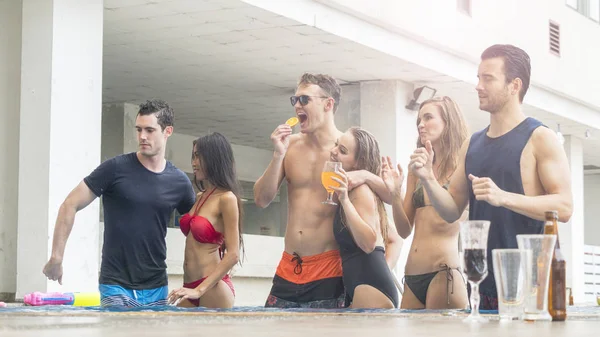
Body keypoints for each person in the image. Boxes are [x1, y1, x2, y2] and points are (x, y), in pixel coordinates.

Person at [408, 44, 573, 309]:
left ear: (514, 85)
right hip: (483, 288)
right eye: (478, 77)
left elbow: (564, 207)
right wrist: (428, 178)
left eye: (488, 78)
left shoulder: (540, 138)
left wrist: (504, 197)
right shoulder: (471, 144)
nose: (478, 85)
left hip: (531, 290)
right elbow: (451, 210)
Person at [254, 73, 397, 308]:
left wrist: (365, 175)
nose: (297, 105)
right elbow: (260, 199)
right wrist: (278, 155)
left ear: (328, 104)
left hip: (329, 270)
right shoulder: (290, 146)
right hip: (288, 268)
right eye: (295, 100)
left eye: (304, 99)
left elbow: (390, 197)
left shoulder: (347, 148)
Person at [43, 99, 196, 307]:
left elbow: (197, 231)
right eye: (139, 129)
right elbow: (70, 204)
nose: (142, 136)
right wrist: (56, 257)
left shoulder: (179, 182)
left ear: (167, 131)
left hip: (157, 286)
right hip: (115, 284)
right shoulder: (115, 169)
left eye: (150, 130)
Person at [381, 96, 469, 309]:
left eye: (428, 117)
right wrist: (394, 194)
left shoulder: (462, 167)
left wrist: (429, 177)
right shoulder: (416, 170)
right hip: (412, 277)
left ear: (448, 123)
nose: (421, 124)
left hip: (443, 274)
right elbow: (403, 230)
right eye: (419, 119)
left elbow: (455, 216)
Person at [167, 132, 243, 308]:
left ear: (214, 159)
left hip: (212, 288)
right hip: (189, 287)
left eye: (199, 157)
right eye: (193, 156)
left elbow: (233, 254)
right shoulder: (201, 196)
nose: (194, 163)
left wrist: (199, 290)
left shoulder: (227, 198)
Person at [329, 127, 400, 309]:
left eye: (343, 151)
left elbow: (368, 244)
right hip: (366, 285)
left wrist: (344, 201)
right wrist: (385, 268)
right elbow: (394, 238)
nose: (333, 151)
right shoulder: (356, 190)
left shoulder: (360, 191)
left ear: (358, 162)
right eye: (337, 145)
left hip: (370, 288)